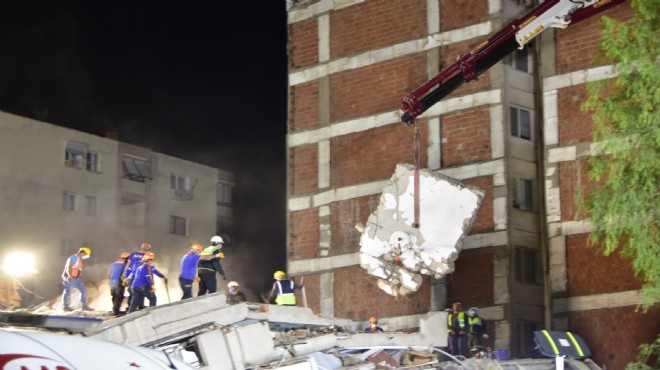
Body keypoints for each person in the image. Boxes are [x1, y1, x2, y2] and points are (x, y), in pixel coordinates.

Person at [61, 247, 93, 311]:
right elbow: (69, 266)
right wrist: (70, 277)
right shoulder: (74, 257)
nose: (85, 256)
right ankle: (65, 306)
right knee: (68, 291)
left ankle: (84, 306)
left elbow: (77, 269)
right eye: (86, 255)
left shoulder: (78, 259)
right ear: (83, 252)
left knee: (83, 290)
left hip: (76, 279)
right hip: (71, 278)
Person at [124, 242, 152, 310]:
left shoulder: (133, 254)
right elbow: (148, 267)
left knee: (132, 291)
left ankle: (131, 307)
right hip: (139, 276)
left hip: (131, 275)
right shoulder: (147, 256)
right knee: (141, 290)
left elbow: (128, 264)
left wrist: (125, 275)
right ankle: (140, 307)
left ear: (141, 248)